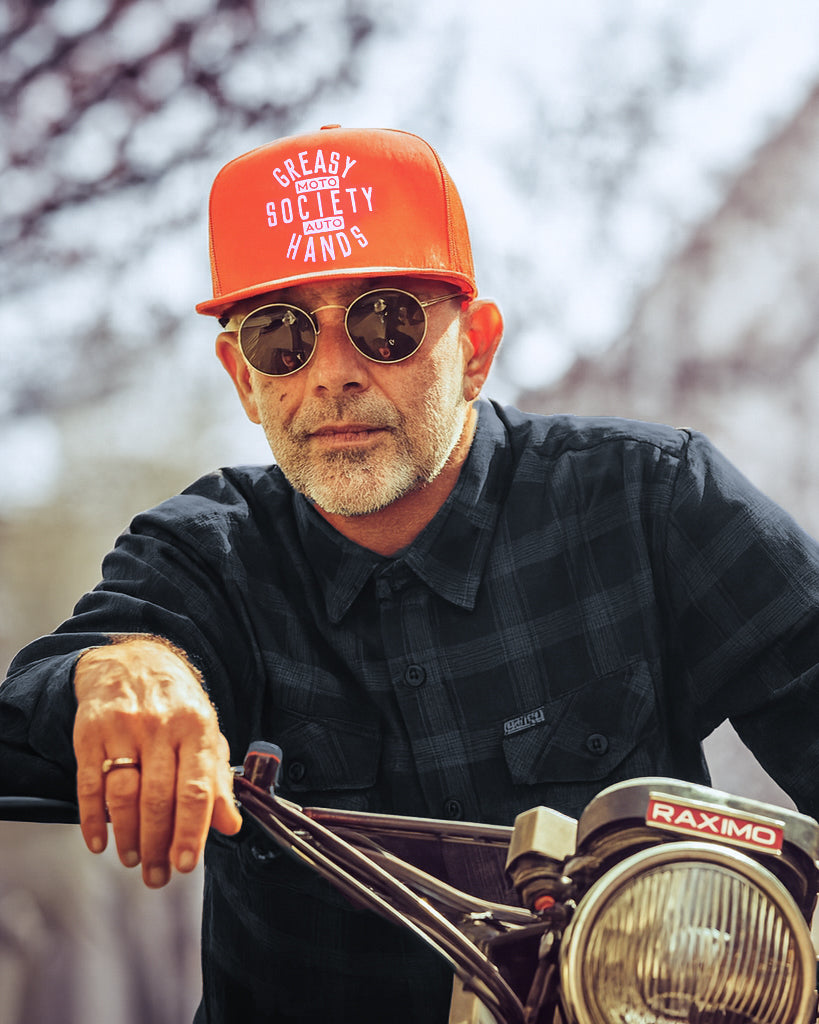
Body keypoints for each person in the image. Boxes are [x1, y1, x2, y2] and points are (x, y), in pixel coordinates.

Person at [3, 124, 819, 1022]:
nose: (333, 375)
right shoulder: (207, 555)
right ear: (243, 380)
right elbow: (60, 679)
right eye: (281, 337)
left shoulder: (651, 500)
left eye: (383, 320)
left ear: (475, 346)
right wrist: (123, 672)